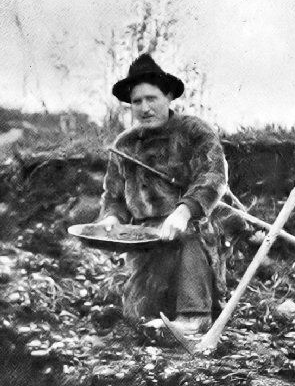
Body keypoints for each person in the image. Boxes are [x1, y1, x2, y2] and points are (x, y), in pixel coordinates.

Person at [97, 54, 230, 337]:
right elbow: (114, 197)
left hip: (190, 230)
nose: (144, 108)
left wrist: (182, 212)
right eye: (137, 102)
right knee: (138, 318)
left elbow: (213, 176)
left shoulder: (194, 132)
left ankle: (194, 317)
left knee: (189, 237)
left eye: (152, 98)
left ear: (168, 96)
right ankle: (162, 314)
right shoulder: (125, 145)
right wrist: (110, 219)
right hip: (145, 242)